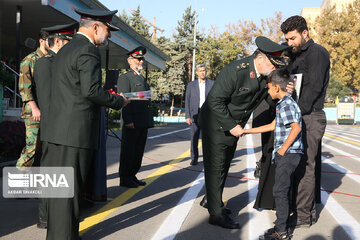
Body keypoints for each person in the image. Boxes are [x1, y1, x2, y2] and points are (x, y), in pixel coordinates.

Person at [45, 8, 129, 240]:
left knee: (60, 191)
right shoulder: (88, 51)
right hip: (75, 132)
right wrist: (118, 101)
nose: (109, 36)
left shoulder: (66, 49)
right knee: (69, 192)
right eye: (107, 30)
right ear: (95, 27)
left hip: (60, 130)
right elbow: (91, 90)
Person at [198, 36, 292, 229]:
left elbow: (270, 98)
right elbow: (214, 100)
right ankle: (215, 214)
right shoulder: (235, 71)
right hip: (216, 123)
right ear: (260, 59)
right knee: (216, 167)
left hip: (234, 126)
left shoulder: (265, 75)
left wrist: (284, 91)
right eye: (273, 65)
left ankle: (211, 200)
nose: (275, 69)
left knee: (223, 165)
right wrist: (231, 125)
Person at [281, 15, 330, 228]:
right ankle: (303, 211)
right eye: (287, 39)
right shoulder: (295, 56)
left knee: (306, 167)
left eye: (292, 38)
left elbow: (314, 88)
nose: (289, 43)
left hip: (310, 117)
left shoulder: (318, 53)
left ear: (304, 33)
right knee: (298, 165)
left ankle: (303, 216)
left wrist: (295, 115)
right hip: (299, 115)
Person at [245, 68, 303, 240]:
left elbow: (296, 127)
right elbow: (272, 126)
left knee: (280, 191)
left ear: (277, 87)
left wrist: (283, 149)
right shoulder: (284, 103)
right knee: (280, 190)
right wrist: (247, 132)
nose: (268, 91)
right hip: (287, 154)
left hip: (288, 154)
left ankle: (282, 232)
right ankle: (280, 227)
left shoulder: (286, 104)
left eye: (269, 87)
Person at [34, 22, 78, 229]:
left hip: (62, 127)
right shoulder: (46, 63)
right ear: (59, 41)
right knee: (49, 173)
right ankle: (45, 217)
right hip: (53, 127)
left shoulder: (59, 61)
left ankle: (57, 215)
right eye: (68, 41)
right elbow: (48, 99)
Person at [118, 46, 154, 188]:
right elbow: (124, 100)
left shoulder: (141, 78)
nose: (141, 62)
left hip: (142, 122)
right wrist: (128, 120)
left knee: (138, 151)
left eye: (141, 59)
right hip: (132, 122)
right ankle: (125, 177)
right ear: (130, 61)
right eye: (138, 59)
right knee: (129, 151)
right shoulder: (125, 78)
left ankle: (132, 175)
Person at [16, 29, 49, 168]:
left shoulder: (51, 60)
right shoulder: (29, 60)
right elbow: (25, 87)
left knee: (43, 151)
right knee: (32, 148)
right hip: (33, 113)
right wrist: (34, 108)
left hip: (47, 110)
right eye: (50, 40)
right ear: (42, 41)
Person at [185, 64, 214, 165]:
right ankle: (194, 158)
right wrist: (187, 116)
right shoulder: (191, 85)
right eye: (200, 71)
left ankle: (208, 158)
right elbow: (187, 101)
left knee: (208, 137)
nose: (202, 72)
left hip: (207, 114)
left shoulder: (212, 83)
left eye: (204, 70)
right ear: (197, 72)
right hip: (195, 114)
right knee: (194, 137)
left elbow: (215, 99)